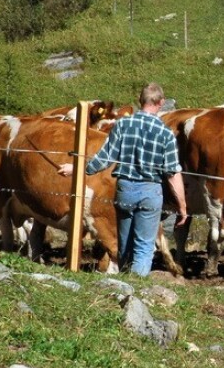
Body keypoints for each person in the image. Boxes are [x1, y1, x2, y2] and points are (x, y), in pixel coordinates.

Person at [58, 82, 188, 276]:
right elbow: (172, 173)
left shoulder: (122, 125)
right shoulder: (165, 133)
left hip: (125, 188)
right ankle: (137, 284)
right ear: (161, 102)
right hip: (150, 191)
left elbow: (104, 159)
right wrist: (182, 207)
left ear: (140, 101)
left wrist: (77, 167)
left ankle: (125, 282)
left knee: (124, 242)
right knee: (144, 247)